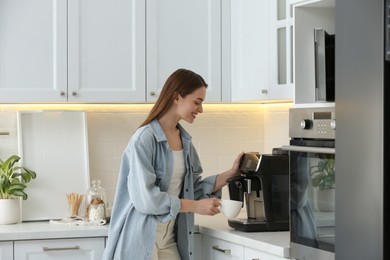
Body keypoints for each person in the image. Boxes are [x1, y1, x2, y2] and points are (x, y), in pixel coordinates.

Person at [102, 68, 243, 260]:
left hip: (169, 238)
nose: (200, 109)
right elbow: (146, 200)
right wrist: (194, 206)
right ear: (177, 97)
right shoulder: (144, 139)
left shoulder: (185, 142)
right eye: (197, 102)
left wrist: (231, 174)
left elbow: (192, 190)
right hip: (141, 238)